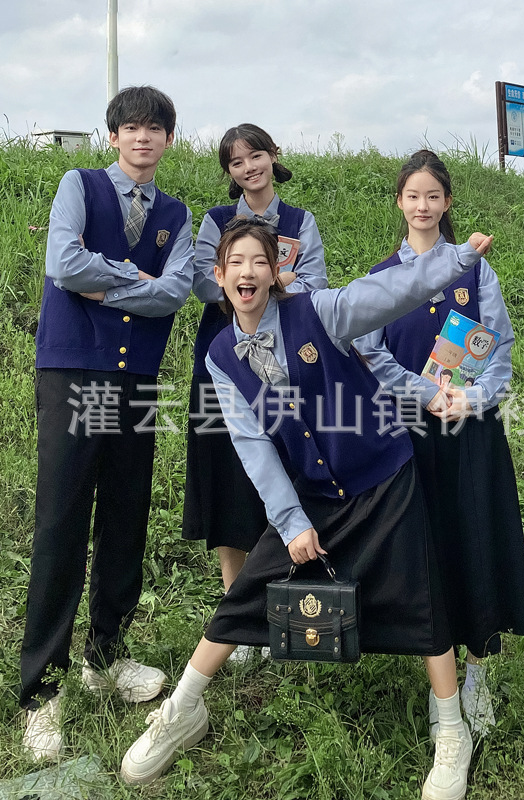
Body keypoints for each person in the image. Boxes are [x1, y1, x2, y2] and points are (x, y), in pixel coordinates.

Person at [121, 218, 494, 800]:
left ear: (276, 271)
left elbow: (386, 292)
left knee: (420, 597)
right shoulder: (220, 355)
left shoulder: (318, 311)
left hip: (381, 478)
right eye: (235, 263)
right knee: (247, 593)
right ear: (219, 275)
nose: (247, 272)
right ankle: (183, 710)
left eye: (259, 261)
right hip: (313, 495)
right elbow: (252, 443)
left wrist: (455, 260)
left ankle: (452, 732)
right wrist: (292, 521)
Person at [20, 86, 194, 761]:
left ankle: (106, 655)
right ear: (114, 135)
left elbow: (175, 292)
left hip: (137, 380)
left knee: (126, 513)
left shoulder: (175, 213)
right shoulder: (79, 185)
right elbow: (62, 263)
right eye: (131, 127)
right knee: (61, 520)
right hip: (72, 371)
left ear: (169, 140)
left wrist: (108, 281)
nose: (143, 138)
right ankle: (42, 690)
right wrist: (134, 277)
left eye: (155, 129)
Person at [355, 150, 524, 737]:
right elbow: (371, 353)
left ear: (447, 202)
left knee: (476, 543)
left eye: (433, 196)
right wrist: (426, 393)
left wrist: (471, 399)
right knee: (425, 551)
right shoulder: (382, 278)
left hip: (470, 435)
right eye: (413, 195)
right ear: (399, 202)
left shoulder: (475, 272)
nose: (423, 206)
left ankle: (478, 671)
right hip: (409, 437)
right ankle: (443, 688)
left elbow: (501, 349)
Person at [183, 124, 327, 662]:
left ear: (273, 157)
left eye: (256, 156)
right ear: (229, 172)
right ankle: (238, 612)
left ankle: (282, 607)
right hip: (223, 361)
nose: (249, 168)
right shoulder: (216, 220)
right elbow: (202, 282)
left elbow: (317, 285)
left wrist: (272, 280)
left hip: (287, 366)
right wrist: (260, 276)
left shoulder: (300, 221)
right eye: (237, 162)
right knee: (229, 483)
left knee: (281, 475)